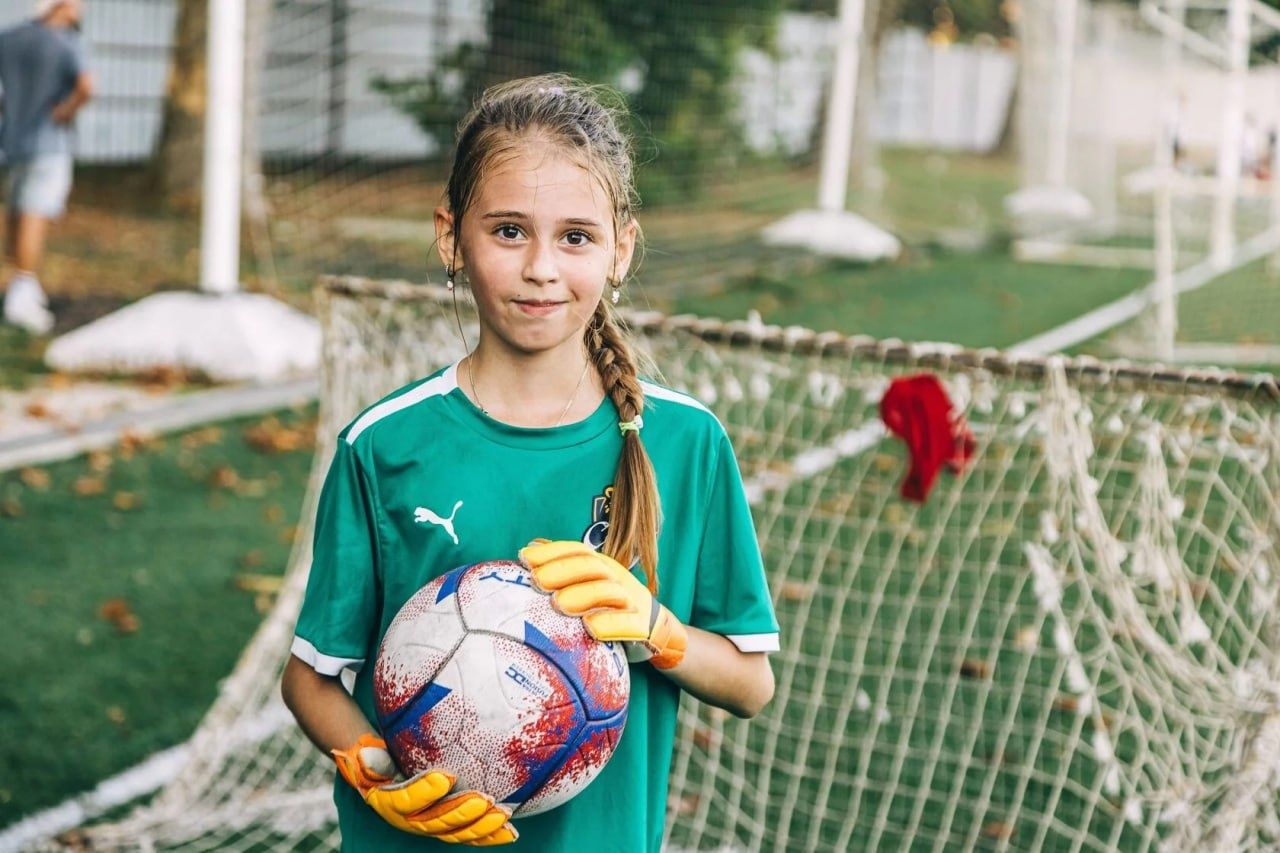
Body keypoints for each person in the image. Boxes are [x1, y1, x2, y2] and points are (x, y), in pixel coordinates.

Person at [281, 74, 779, 851]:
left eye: (576, 237)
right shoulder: (383, 444)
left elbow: (750, 682)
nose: (542, 266)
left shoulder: (686, 441)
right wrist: (378, 774)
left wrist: (657, 629)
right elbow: (310, 676)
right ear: (451, 237)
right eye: (509, 230)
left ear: (621, 250)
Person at [0, 0, 92, 335]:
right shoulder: (67, 41)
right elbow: (86, 87)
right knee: (35, 212)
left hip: (12, 140)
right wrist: (66, 112)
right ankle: (23, 288)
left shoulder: (9, 38)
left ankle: (20, 281)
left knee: (16, 211)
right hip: (49, 143)